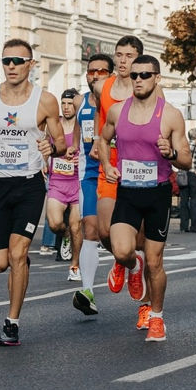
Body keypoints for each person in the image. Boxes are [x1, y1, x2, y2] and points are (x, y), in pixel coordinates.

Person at [0, 38, 67, 346]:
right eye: (6, 60)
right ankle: (19, 265)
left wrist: (51, 147)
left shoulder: (45, 101)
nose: (11, 66)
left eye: (18, 61)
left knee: (18, 253)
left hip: (28, 184)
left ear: (30, 65)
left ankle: (12, 322)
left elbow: (61, 142)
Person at [96, 54, 192, 342]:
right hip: (127, 192)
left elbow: (186, 160)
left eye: (145, 75)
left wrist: (171, 154)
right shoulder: (117, 111)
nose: (138, 80)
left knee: (155, 262)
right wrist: (108, 165)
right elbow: (102, 140)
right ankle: (131, 267)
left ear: (157, 78)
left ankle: (157, 317)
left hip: (157, 195)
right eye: (134, 75)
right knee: (122, 251)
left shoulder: (171, 115)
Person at [70, 54, 112, 315]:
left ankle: (128, 265)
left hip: (113, 173)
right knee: (90, 229)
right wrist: (73, 147)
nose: (95, 75)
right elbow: (78, 128)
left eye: (101, 71)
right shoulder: (81, 101)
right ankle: (87, 290)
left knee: (112, 233)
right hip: (88, 174)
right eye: (91, 71)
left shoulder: (117, 101)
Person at [48, 89, 84, 283]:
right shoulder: (54, 125)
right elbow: (45, 146)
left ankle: (75, 265)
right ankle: (66, 235)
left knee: (76, 225)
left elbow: (93, 149)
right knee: (54, 224)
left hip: (77, 182)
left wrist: (81, 159)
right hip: (57, 181)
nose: (66, 107)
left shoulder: (83, 125)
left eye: (70, 103)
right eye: (63, 103)